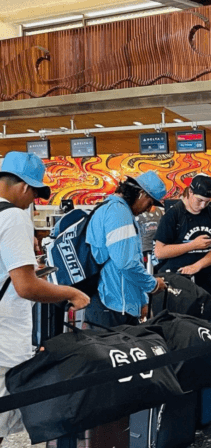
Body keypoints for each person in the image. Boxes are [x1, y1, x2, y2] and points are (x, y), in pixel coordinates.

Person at [0, 152, 90, 445]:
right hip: (3, 339)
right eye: (35, 195)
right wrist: (71, 292)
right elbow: (26, 287)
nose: (32, 203)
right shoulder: (13, 216)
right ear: (25, 187)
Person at [85, 171, 168, 327]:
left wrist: (142, 302)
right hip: (113, 305)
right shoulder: (119, 213)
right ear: (141, 194)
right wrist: (153, 285)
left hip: (109, 302)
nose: (148, 209)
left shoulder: (110, 208)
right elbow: (126, 263)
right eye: (149, 203)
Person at [154, 174, 211, 297]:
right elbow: (159, 252)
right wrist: (193, 245)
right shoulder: (173, 215)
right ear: (190, 192)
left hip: (205, 281)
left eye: (207, 202)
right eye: (199, 200)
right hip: (177, 282)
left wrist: (197, 266)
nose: (202, 206)